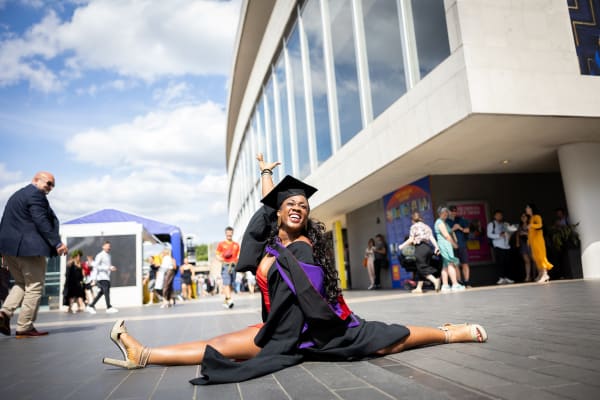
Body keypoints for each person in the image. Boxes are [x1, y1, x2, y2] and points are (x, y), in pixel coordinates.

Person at [101, 153, 487, 385]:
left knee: (392, 338)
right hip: (280, 328)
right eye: (291, 203)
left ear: (306, 215)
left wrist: (283, 334)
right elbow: (271, 210)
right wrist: (266, 175)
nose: (297, 206)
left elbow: (311, 297)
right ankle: (144, 354)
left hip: (324, 329)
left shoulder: (301, 248)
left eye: (303, 203)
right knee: (218, 346)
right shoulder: (274, 242)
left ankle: (449, 333)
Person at [0, 171, 68, 337]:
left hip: (10, 249)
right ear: (36, 180)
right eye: (48, 183)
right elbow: (41, 220)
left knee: (21, 283)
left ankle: (4, 313)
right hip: (29, 249)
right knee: (34, 287)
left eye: (53, 185)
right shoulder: (36, 196)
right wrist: (57, 242)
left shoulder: (18, 195)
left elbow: (6, 220)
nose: (50, 188)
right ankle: (25, 326)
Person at [399, 211, 441, 293]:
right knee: (420, 267)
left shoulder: (413, 227)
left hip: (420, 248)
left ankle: (435, 280)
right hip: (428, 248)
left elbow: (411, 239)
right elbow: (431, 238)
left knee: (421, 267)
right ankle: (419, 288)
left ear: (412, 220)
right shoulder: (426, 226)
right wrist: (437, 247)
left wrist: (402, 246)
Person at [434, 207, 465, 292]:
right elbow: (446, 235)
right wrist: (454, 244)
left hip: (446, 245)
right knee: (451, 263)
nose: (446, 214)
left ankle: (445, 285)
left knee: (445, 265)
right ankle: (455, 284)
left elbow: (449, 232)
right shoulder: (439, 222)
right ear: (439, 213)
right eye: (444, 212)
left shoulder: (444, 222)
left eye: (447, 212)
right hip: (445, 245)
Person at [86, 241, 119, 314]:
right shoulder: (100, 255)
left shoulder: (109, 255)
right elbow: (96, 266)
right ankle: (109, 307)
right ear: (103, 246)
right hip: (101, 277)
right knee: (106, 291)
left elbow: (108, 266)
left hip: (106, 277)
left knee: (101, 292)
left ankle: (91, 306)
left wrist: (110, 268)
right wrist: (108, 268)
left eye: (109, 246)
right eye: (107, 246)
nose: (108, 247)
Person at [525, 204, 553, 283]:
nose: (526, 209)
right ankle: (541, 274)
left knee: (541, 256)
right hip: (533, 241)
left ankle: (545, 274)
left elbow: (540, 225)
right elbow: (531, 232)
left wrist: (531, 225)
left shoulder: (537, 217)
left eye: (527, 208)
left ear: (531, 209)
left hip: (538, 240)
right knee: (536, 257)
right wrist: (529, 241)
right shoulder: (531, 218)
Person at [487, 210, 515, 285]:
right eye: (498, 215)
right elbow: (489, 235)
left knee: (508, 262)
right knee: (500, 263)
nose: (499, 216)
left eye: (501, 215)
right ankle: (501, 278)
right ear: (494, 216)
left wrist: (511, 231)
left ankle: (508, 277)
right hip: (498, 245)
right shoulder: (491, 224)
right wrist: (499, 235)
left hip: (506, 245)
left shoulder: (505, 224)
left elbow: (510, 233)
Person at [216, 226, 240, 309]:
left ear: (232, 233)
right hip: (226, 265)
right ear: (226, 234)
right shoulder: (221, 244)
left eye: (230, 233)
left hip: (234, 265)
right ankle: (229, 300)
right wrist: (221, 259)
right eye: (228, 234)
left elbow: (238, 255)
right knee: (226, 282)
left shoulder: (236, 245)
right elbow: (217, 255)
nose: (229, 235)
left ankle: (226, 300)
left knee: (231, 284)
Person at [448, 205, 471, 287]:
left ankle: (467, 282)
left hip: (462, 245)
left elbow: (467, 230)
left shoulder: (461, 220)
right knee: (456, 264)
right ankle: (459, 282)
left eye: (455, 211)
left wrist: (460, 228)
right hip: (452, 246)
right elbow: (445, 234)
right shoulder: (446, 221)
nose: (453, 212)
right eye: (452, 211)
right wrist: (453, 229)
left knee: (465, 263)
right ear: (448, 212)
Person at [515, 212, 534, 282]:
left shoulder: (530, 224)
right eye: (522, 216)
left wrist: (526, 233)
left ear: (527, 217)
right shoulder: (520, 225)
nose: (523, 218)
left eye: (525, 216)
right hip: (523, 244)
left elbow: (535, 234)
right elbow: (517, 234)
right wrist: (517, 242)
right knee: (526, 261)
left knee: (534, 260)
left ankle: (540, 274)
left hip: (530, 243)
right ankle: (528, 276)